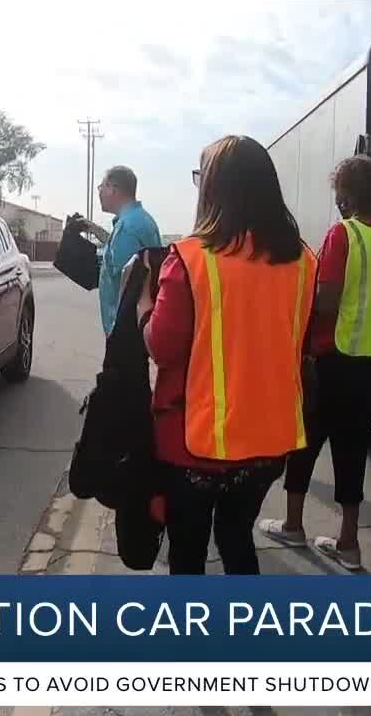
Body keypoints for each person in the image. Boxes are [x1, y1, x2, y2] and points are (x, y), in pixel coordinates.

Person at [138, 136, 315, 575]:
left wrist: (144, 300)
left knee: (188, 552)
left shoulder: (190, 259)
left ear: (213, 188)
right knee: (237, 538)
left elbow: (161, 345)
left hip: (198, 443)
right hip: (269, 442)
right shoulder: (304, 262)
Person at [259, 154, 371, 572]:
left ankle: (292, 524)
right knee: (352, 448)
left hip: (333, 358)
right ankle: (348, 544)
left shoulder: (344, 235)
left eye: (339, 191)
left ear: (348, 195)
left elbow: (326, 301)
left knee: (305, 441)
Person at [86, 166, 161, 337]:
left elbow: (128, 285)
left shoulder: (127, 228)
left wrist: (119, 336)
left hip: (126, 332)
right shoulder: (140, 219)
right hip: (138, 326)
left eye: (101, 187)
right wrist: (96, 230)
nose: (100, 193)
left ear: (114, 189)